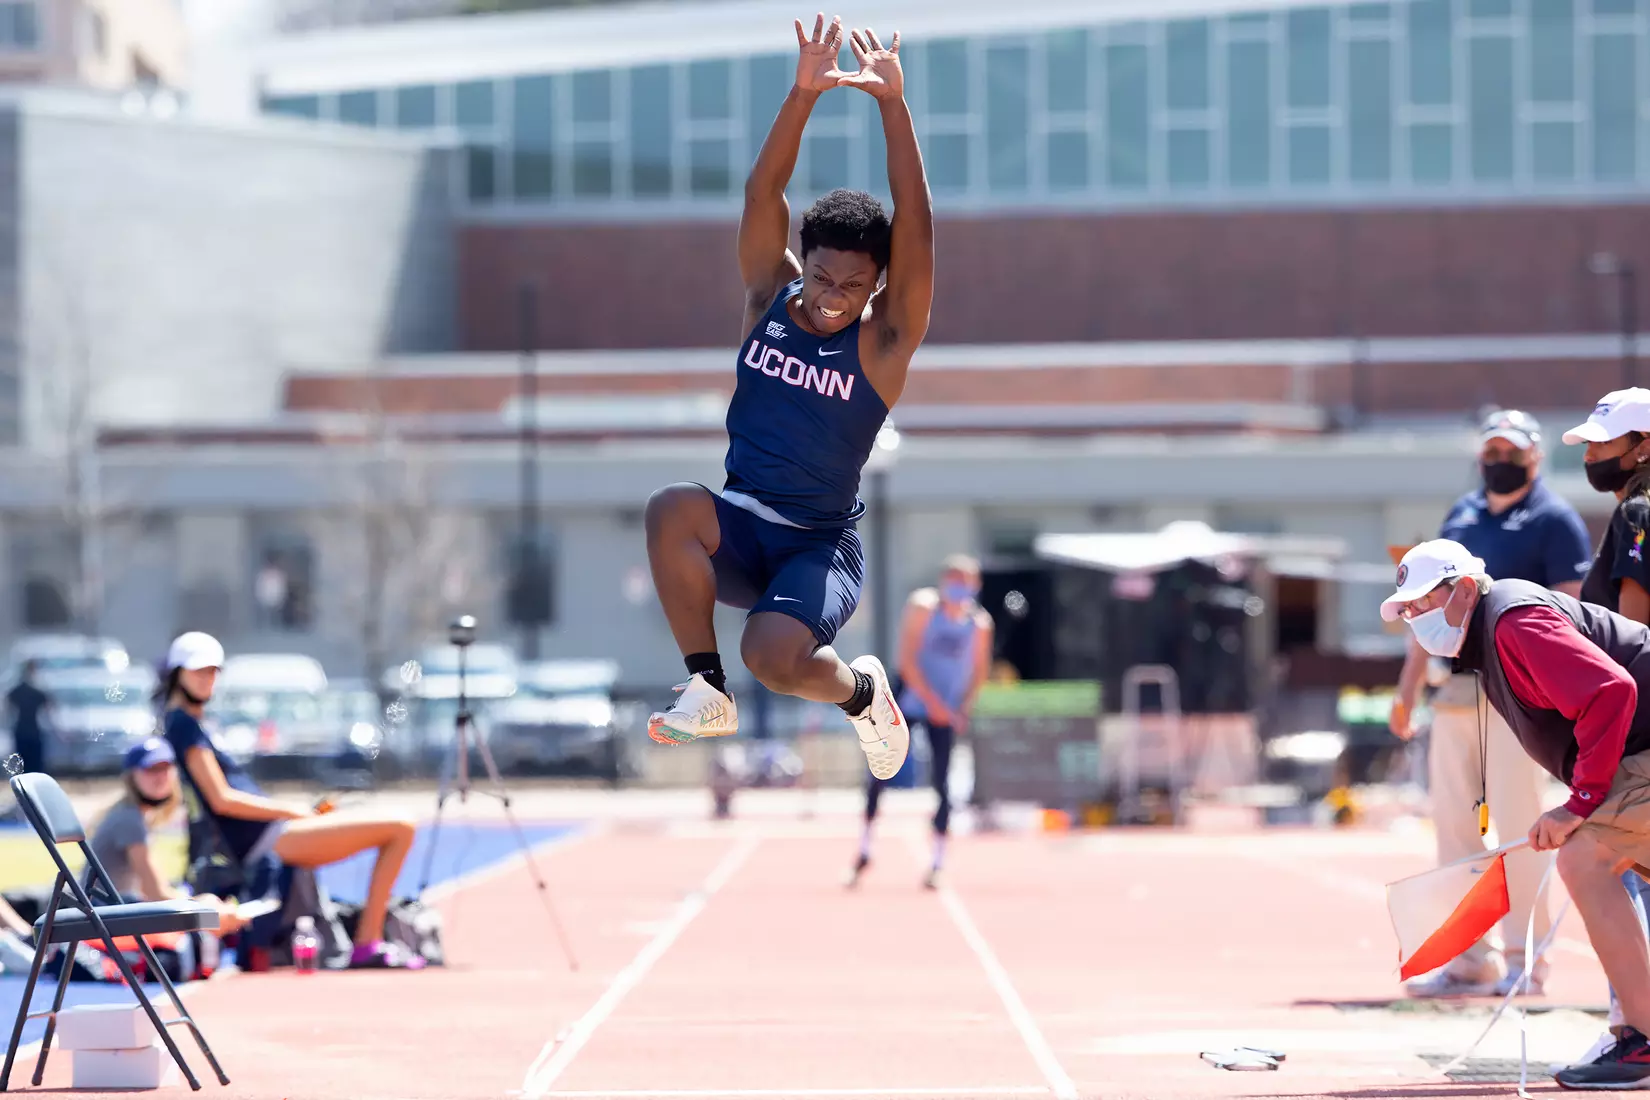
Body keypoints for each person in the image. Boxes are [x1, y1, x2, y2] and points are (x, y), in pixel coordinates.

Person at [641, 14, 933, 787]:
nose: (836, 298)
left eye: (855, 285)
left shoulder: (884, 341)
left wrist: (892, 107)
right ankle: (705, 689)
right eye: (825, 277)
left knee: (771, 657)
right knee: (671, 504)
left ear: (877, 282)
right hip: (742, 524)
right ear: (805, 261)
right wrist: (803, 93)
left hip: (816, 545)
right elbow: (762, 190)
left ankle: (864, 694)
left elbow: (919, 227)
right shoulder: (769, 294)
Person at [1381, 539, 1650, 1090]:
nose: (1415, 619)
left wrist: (1581, 803)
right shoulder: (1492, 634)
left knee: (1586, 859)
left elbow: (1610, 690)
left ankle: (1643, 1039)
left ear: (1461, 590)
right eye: (1406, 611)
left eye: (1421, 604)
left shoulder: (1513, 621)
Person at [1388, 409, 1594, 998]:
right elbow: (1421, 604)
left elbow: (1569, 613)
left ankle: (1525, 961)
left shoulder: (1555, 521)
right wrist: (1407, 692)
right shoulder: (1462, 514)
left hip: (1517, 693)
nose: (1500, 461)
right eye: (1492, 451)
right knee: (1455, 830)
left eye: (1512, 451)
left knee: (1521, 826)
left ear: (1535, 455)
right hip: (1454, 692)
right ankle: (1467, 960)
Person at [158, 631, 424, 970]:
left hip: (277, 831)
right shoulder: (183, 725)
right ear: (176, 673)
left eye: (213, 671)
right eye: (198, 671)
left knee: (390, 819)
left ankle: (366, 937)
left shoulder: (196, 723)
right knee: (400, 826)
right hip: (269, 842)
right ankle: (367, 941)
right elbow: (221, 799)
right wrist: (293, 811)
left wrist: (299, 813)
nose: (207, 679)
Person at [1563, 388, 1650, 1064]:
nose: (1593, 455)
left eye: (1603, 443)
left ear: (1644, 446)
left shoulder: (1641, 511)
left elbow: (1634, 628)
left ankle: (1638, 1032)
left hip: (1642, 720)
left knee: (1594, 858)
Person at [851, 554, 993, 889]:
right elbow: (906, 661)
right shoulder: (923, 607)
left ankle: (938, 860)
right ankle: (864, 847)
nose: (959, 586)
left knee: (943, 783)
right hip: (909, 702)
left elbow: (979, 670)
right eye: (954, 578)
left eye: (966, 580)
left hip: (946, 710)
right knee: (880, 771)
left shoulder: (980, 624)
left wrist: (962, 708)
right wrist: (934, 704)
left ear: (976, 585)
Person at [83, 736, 243, 935]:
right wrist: (206, 906)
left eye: (166, 767)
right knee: (202, 920)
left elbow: (148, 892)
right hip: (101, 924)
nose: (161, 776)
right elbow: (156, 894)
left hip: (109, 916)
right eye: (151, 769)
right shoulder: (129, 819)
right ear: (132, 776)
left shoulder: (133, 814)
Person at [6, 661, 51, 775]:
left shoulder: (16, 690)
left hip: (22, 729)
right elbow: (48, 710)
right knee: (34, 764)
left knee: (22, 764)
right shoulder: (37, 692)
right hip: (33, 729)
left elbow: (8, 708)